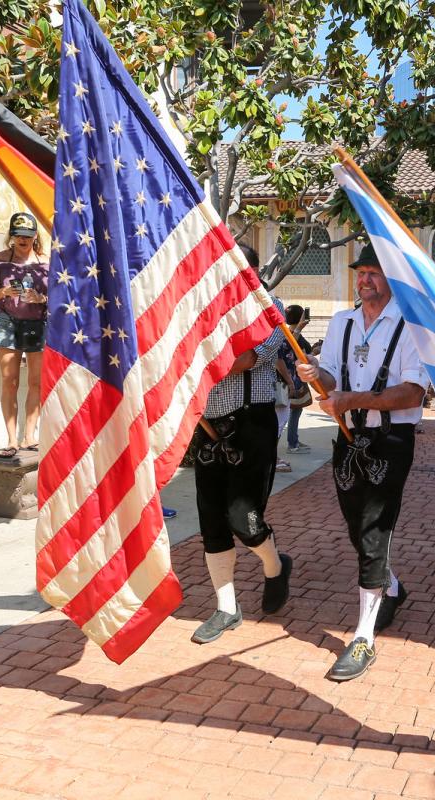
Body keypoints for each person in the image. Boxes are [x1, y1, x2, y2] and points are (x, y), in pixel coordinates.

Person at [296, 244, 426, 681]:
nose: (365, 279)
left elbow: (413, 392)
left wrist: (354, 399)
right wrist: (317, 373)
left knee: (373, 527)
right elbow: (332, 376)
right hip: (349, 434)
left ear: (391, 279)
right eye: (361, 272)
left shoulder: (410, 326)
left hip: (391, 437)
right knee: (355, 523)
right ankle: (390, 585)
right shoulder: (343, 322)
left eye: (373, 272)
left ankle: (363, 637)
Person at [190, 244, 294, 645]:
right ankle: (226, 608)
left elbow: (247, 358)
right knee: (211, 521)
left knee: (244, 518)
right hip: (209, 425)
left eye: (236, 269)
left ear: (251, 271)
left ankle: (274, 566)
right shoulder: (201, 307)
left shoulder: (271, 308)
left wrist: (198, 355)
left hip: (252, 423)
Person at [0, 212, 48, 459]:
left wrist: (41, 299)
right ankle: (11, 439)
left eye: (27, 236)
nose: (22, 240)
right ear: (11, 236)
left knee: (37, 382)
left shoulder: (45, 261)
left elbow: (58, 298)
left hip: (37, 322)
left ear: (34, 236)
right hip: (8, 322)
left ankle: (30, 436)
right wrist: (4, 292)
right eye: (18, 235)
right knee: (10, 381)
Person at [280, 305, 313, 454]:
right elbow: (288, 347)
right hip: (291, 379)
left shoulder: (286, 332)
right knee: (288, 413)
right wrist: (299, 327)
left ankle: (294, 440)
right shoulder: (287, 333)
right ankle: (292, 444)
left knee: (295, 411)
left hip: (295, 378)